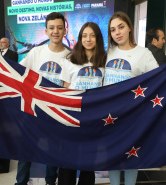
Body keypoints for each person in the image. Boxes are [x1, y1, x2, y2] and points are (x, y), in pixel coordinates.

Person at [15, 12, 71, 185]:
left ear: (65, 31)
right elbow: (16, 71)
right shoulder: (36, 52)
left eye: (59, 28)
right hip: (33, 110)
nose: (56, 31)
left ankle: (50, 182)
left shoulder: (70, 57)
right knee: (25, 153)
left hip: (55, 112)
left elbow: (68, 86)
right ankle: (20, 183)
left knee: (52, 153)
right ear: (46, 31)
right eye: (52, 28)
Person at [104, 12, 159, 185]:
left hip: (133, 115)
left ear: (129, 28)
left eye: (121, 27)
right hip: (110, 114)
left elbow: (160, 79)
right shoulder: (108, 52)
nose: (117, 32)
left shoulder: (144, 54)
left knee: (131, 156)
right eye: (113, 30)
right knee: (111, 155)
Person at [58, 22, 106, 185]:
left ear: (98, 38)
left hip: (94, 117)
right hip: (72, 115)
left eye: (92, 35)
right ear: (79, 38)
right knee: (67, 159)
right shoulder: (70, 59)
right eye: (84, 36)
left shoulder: (105, 60)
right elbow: (64, 88)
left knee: (88, 161)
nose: (88, 39)